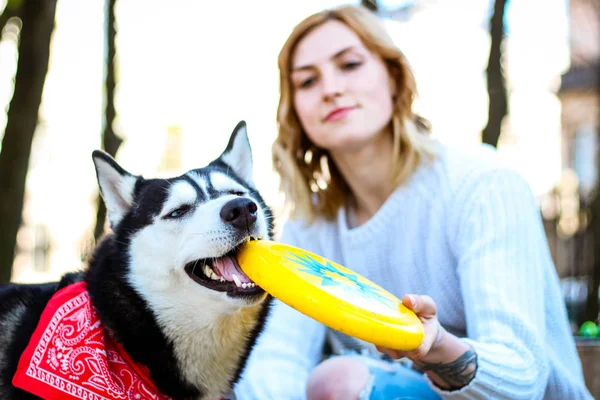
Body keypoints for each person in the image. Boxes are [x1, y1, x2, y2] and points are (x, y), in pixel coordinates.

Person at [234, 4, 592, 400]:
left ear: (393, 76)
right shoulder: (311, 225)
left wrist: (434, 348)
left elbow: (522, 377)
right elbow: (275, 360)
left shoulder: (483, 185)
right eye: (307, 81)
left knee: (340, 381)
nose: (330, 88)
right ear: (295, 112)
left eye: (350, 64)